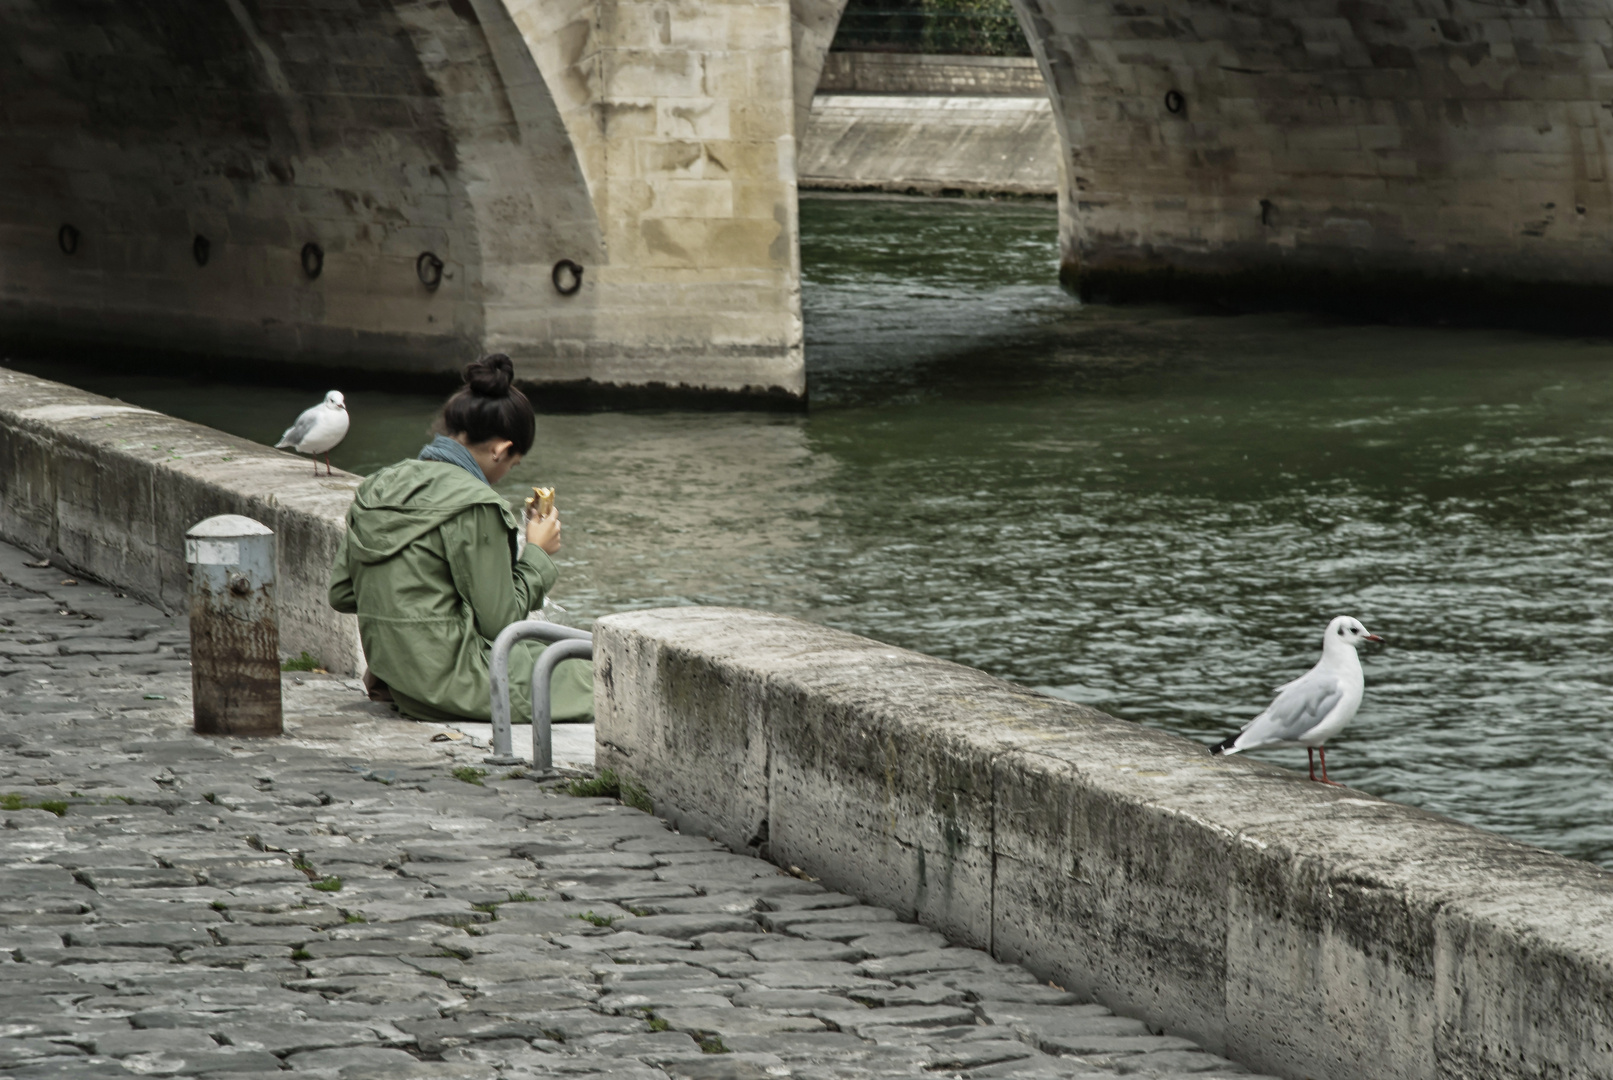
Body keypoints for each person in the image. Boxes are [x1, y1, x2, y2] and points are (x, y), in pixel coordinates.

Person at [327, 355, 592, 724]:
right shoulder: (477, 504)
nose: (502, 476)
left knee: (556, 650)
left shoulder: (379, 484)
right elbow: (499, 623)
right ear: (500, 449)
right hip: (457, 684)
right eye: (511, 464)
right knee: (597, 675)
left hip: (399, 681)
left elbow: (342, 592)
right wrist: (537, 553)